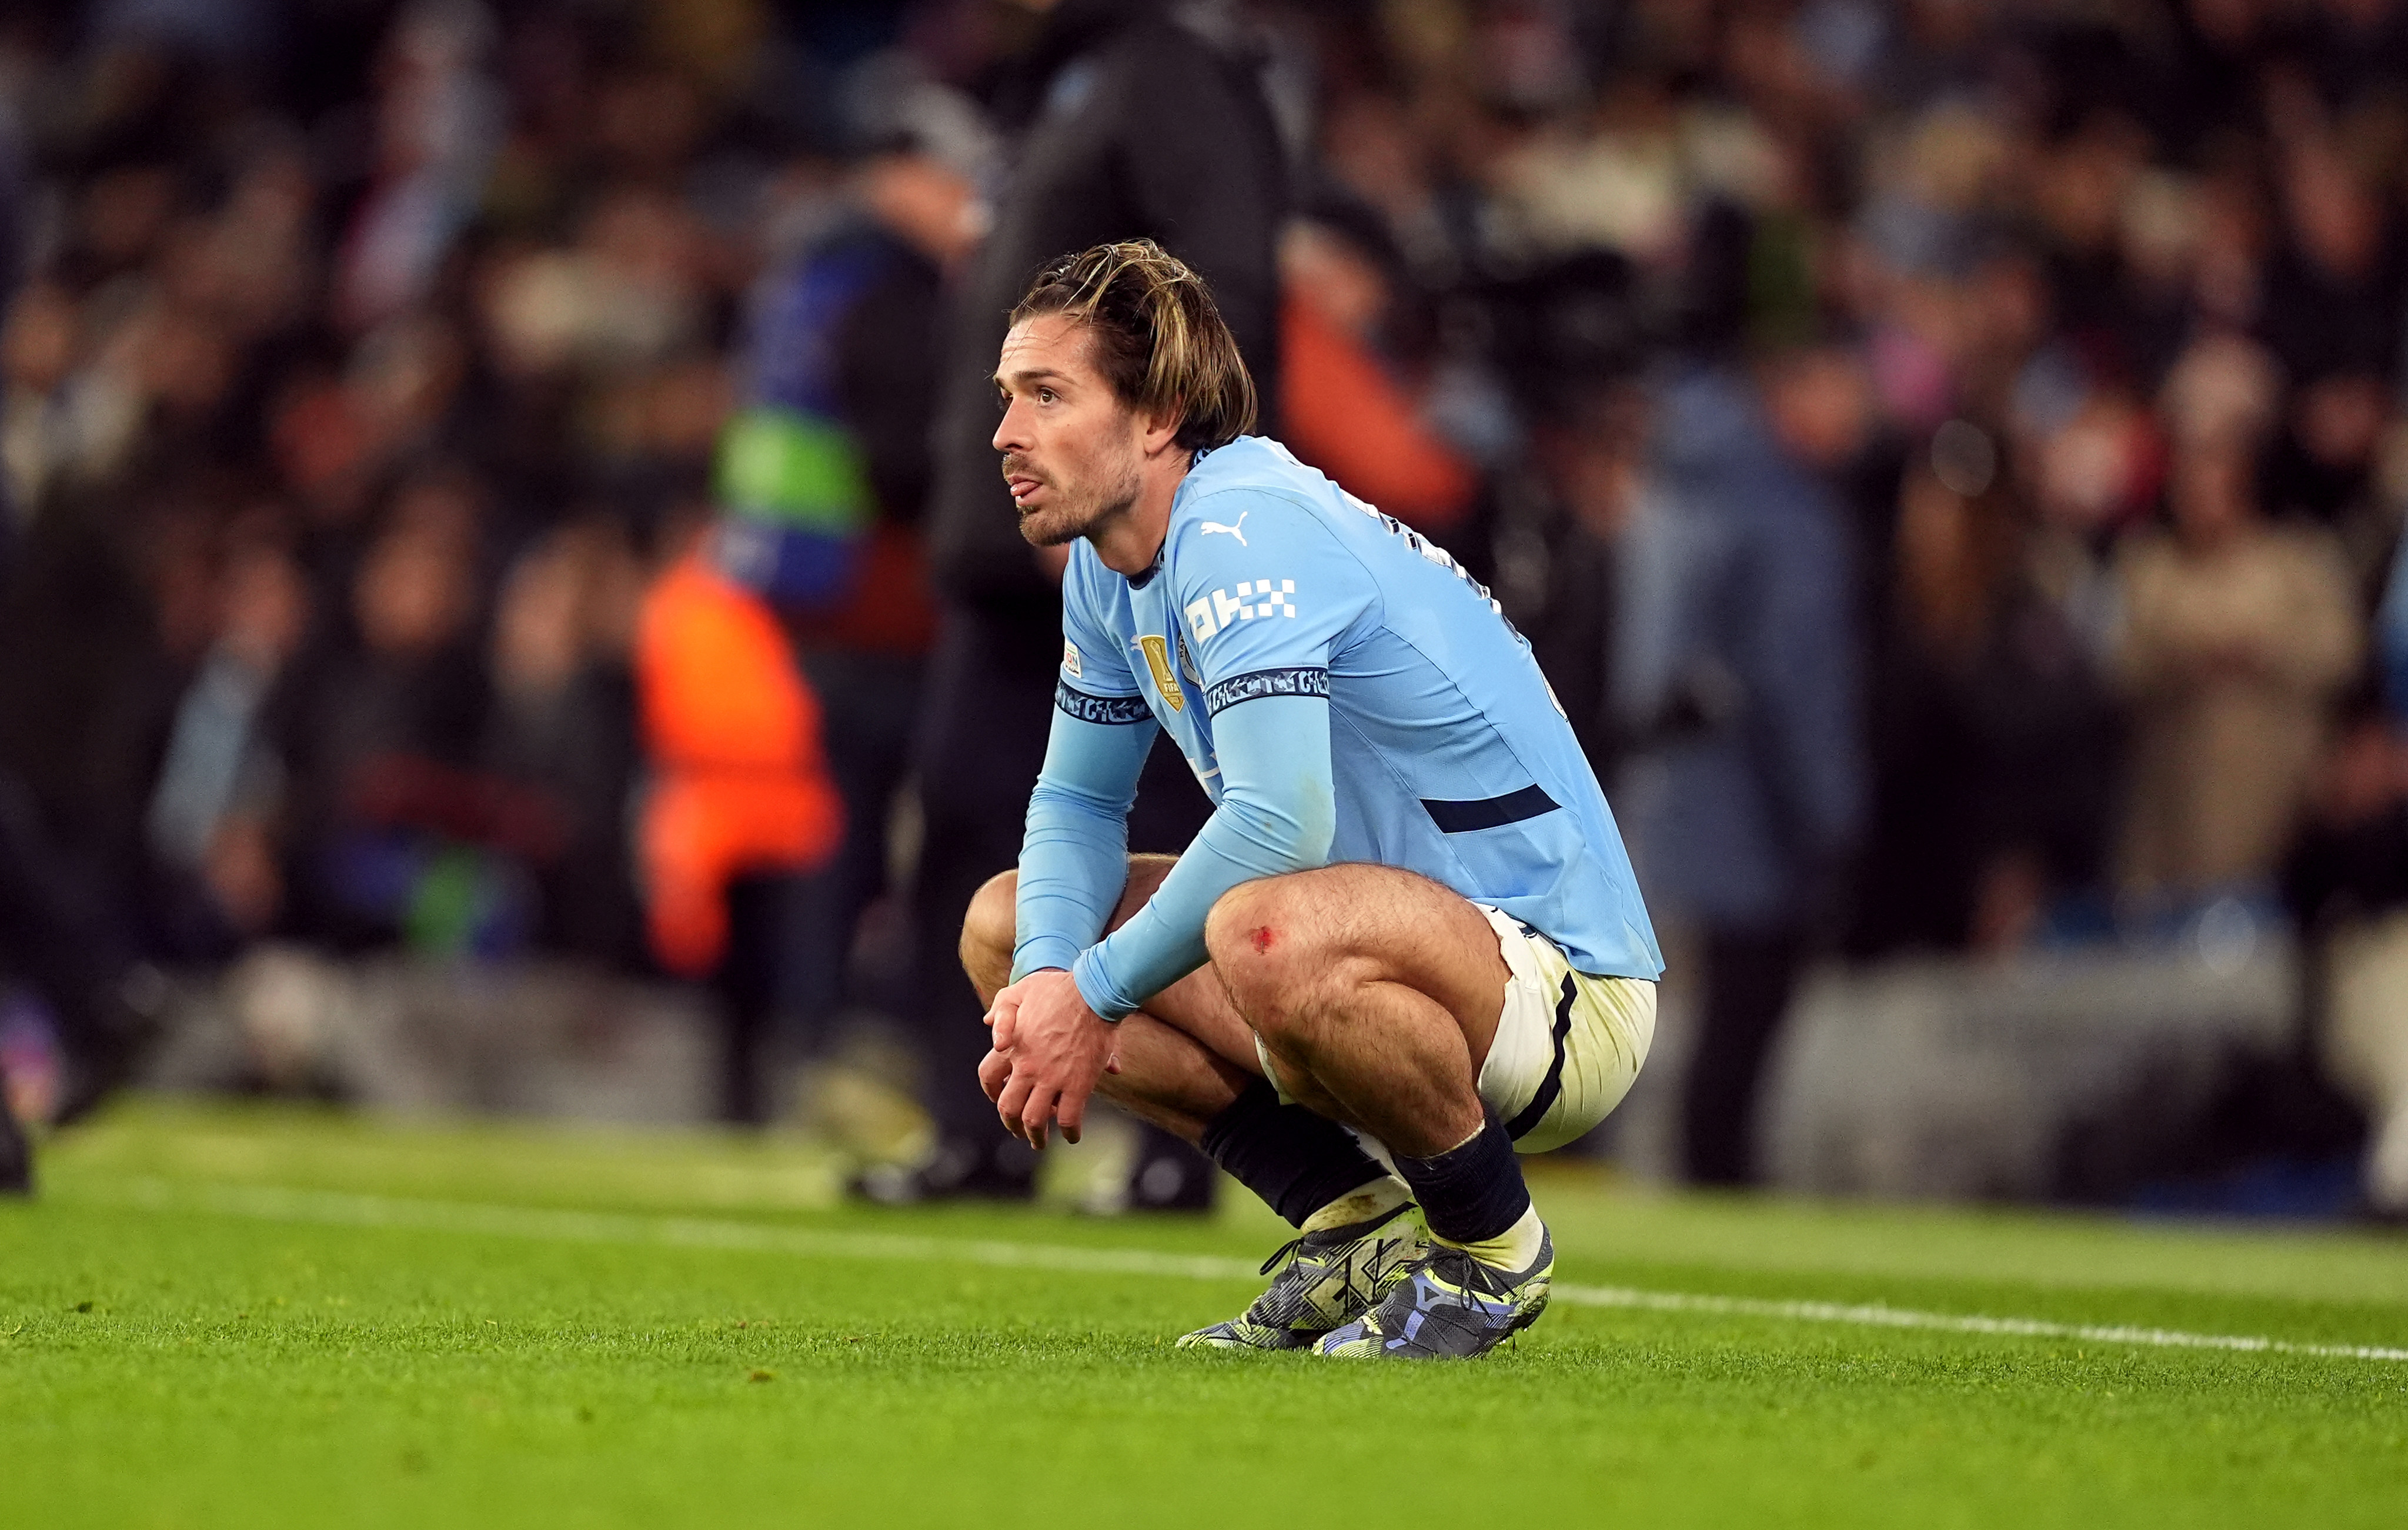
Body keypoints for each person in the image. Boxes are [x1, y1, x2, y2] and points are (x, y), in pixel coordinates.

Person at [957, 242, 1662, 1359]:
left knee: (1261, 922)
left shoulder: (1244, 531)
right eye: (1008, 397)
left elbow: (1285, 821)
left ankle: (1490, 1252)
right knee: (1007, 927)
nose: (1006, 432)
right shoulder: (1111, 563)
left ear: (1158, 416)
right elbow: (1077, 806)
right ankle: (1356, 1228)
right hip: (1368, 956)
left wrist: (1089, 1000)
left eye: (1048, 394)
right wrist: (1051, 973)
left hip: (1561, 985)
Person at [909, 0, 1286, 1204]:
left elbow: (1220, 290)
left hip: (1106, 547)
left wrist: (1142, 497)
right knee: (967, 831)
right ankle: (976, 1132)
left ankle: (1188, 1154)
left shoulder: (1166, 74)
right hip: (1008, 552)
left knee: (1157, 845)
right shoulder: (1058, 82)